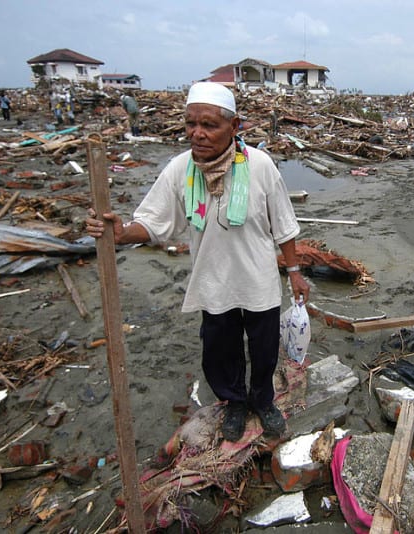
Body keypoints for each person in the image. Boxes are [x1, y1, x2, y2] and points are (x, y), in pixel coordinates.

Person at [85, 82, 310, 442]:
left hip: (259, 280)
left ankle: (263, 401)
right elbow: (154, 222)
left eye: (209, 125)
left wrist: (295, 272)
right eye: (191, 124)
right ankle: (235, 404)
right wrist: (121, 232)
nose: (197, 133)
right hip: (212, 281)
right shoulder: (181, 169)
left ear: (234, 127)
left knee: (265, 350)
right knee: (220, 353)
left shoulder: (261, 166)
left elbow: (284, 223)